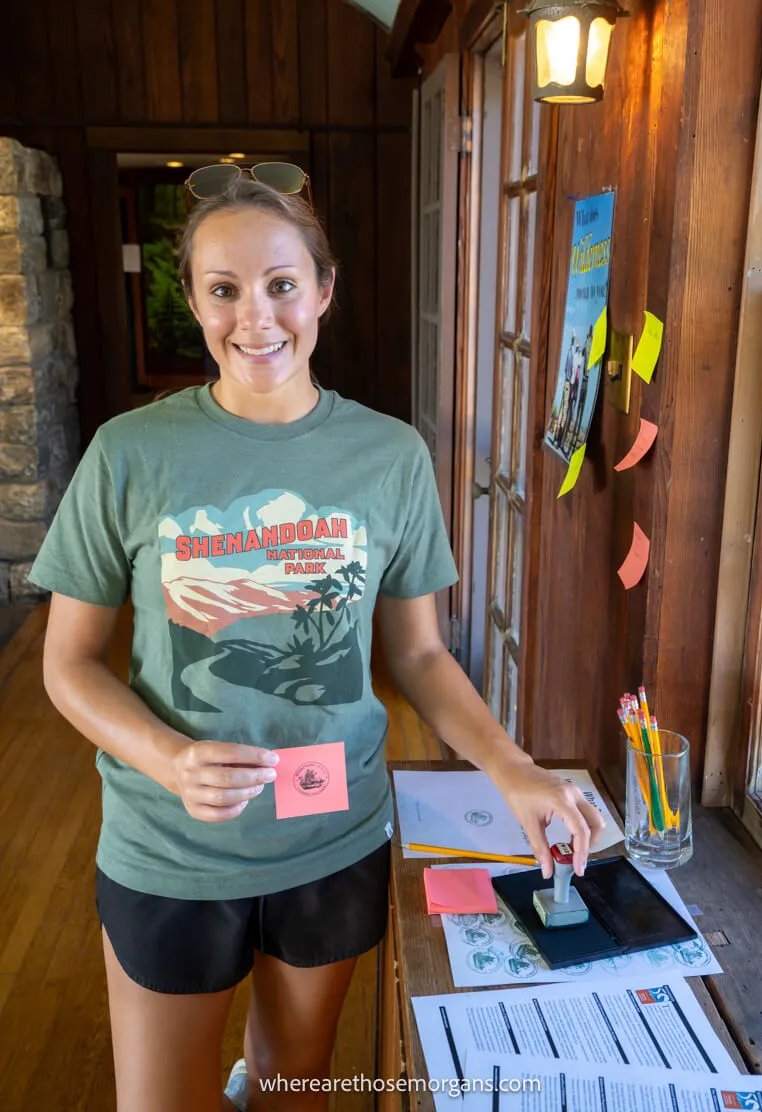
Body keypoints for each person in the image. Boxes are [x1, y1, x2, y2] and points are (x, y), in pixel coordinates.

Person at [30, 175, 606, 1112]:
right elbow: (67, 662)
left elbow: (419, 655)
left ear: (325, 288)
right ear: (192, 300)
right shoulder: (129, 453)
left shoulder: (389, 456)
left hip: (333, 843)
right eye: (224, 289)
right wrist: (170, 758)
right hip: (172, 850)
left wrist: (515, 770)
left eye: (282, 285)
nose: (255, 317)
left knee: (295, 1094)